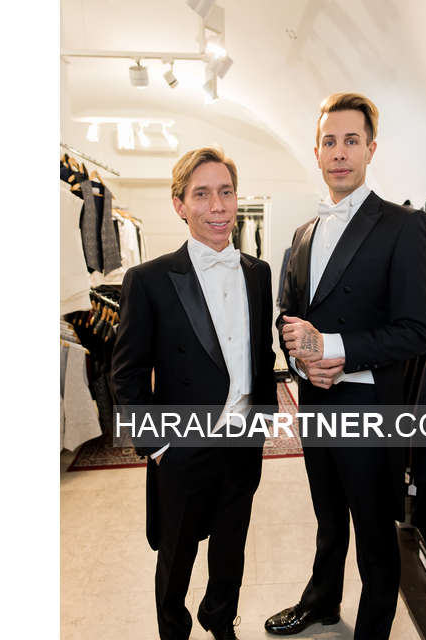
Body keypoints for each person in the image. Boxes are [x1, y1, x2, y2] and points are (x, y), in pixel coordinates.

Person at [265, 93, 426, 639]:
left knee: (374, 533)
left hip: (367, 405)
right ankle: (322, 601)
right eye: (329, 141)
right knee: (328, 515)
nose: (339, 152)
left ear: (370, 149)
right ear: (317, 152)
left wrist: (331, 348)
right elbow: (286, 316)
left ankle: (372, 630)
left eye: (351, 141)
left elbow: (416, 331)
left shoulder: (404, 225)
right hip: (315, 399)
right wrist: (301, 361)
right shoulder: (303, 234)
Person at [111, 147, 277, 640]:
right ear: (179, 204)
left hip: (242, 440)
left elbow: (260, 352)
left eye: (226, 192)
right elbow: (127, 373)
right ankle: (173, 629)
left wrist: (263, 419)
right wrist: (157, 445)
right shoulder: (149, 280)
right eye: (202, 194)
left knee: (231, 549)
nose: (218, 206)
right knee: (176, 554)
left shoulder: (258, 272)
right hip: (181, 445)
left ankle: (220, 619)